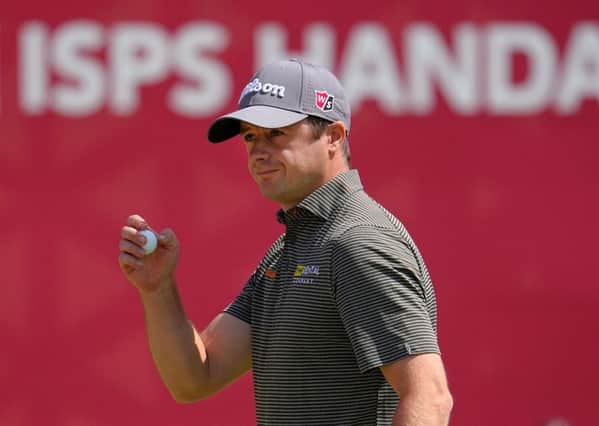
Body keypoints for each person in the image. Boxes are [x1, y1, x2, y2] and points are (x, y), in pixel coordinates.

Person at [118, 58, 453, 425]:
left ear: (333, 137)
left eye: (276, 133)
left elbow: (429, 398)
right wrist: (157, 289)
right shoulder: (291, 249)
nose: (258, 151)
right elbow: (196, 378)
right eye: (250, 136)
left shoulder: (357, 242)